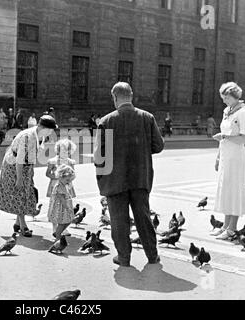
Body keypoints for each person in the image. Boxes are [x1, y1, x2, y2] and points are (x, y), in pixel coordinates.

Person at [94, 82, 164, 267]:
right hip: (140, 177)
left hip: (115, 179)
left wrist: (102, 180)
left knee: (118, 220)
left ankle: (124, 257)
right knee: (143, 217)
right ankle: (152, 256)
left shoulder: (107, 121)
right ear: (131, 96)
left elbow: (99, 156)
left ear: (114, 97)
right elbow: (158, 146)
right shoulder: (147, 118)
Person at [0, 115, 58, 237]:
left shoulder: (39, 136)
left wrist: (30, 171)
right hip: (14, 165)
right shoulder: (28, 137)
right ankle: (23, 225)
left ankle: (17, 223)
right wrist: (19, 178)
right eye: (49, 129)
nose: (51, 132)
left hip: (25, 165)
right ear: (41, 127)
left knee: (26, 192)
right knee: (21, 193)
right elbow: (20, 159)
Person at [212, 82, 245, 240]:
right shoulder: (227, 111)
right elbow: (223, 134)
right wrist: (218, 156)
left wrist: (225, 137)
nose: (224, 100)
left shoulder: (242, 113)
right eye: (223, 97)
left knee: (234, 190)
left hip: (235, 157)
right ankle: (225, 226)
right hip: (226, 156)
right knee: (225, 190)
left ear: (235, 97)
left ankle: (232, 228)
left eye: (226, 97)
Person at [46, 139, 77, 236]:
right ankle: (55, 228)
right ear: (58, 150)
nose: (65, 152)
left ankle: (63, 227)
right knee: (55, 206)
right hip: (56, 186)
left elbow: (73, 174)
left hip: (67, 186)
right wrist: (57, 177)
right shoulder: (53, 161)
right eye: (63, 150)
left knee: (65, 206)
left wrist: (69, 180)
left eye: (67, 150)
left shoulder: (70, 162)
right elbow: (47, 173)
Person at [47, 164, 76, 242]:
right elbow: (62, 199)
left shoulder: (64, 185)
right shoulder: (59, 186)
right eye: (67, 180)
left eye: (70, 180)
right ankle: (58, 237)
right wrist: (67, 208)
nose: (69, 182)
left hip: (64, 207)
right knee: (62, 223)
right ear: (60, 177)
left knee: (68, 221)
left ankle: (58, 233)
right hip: (61, 208)